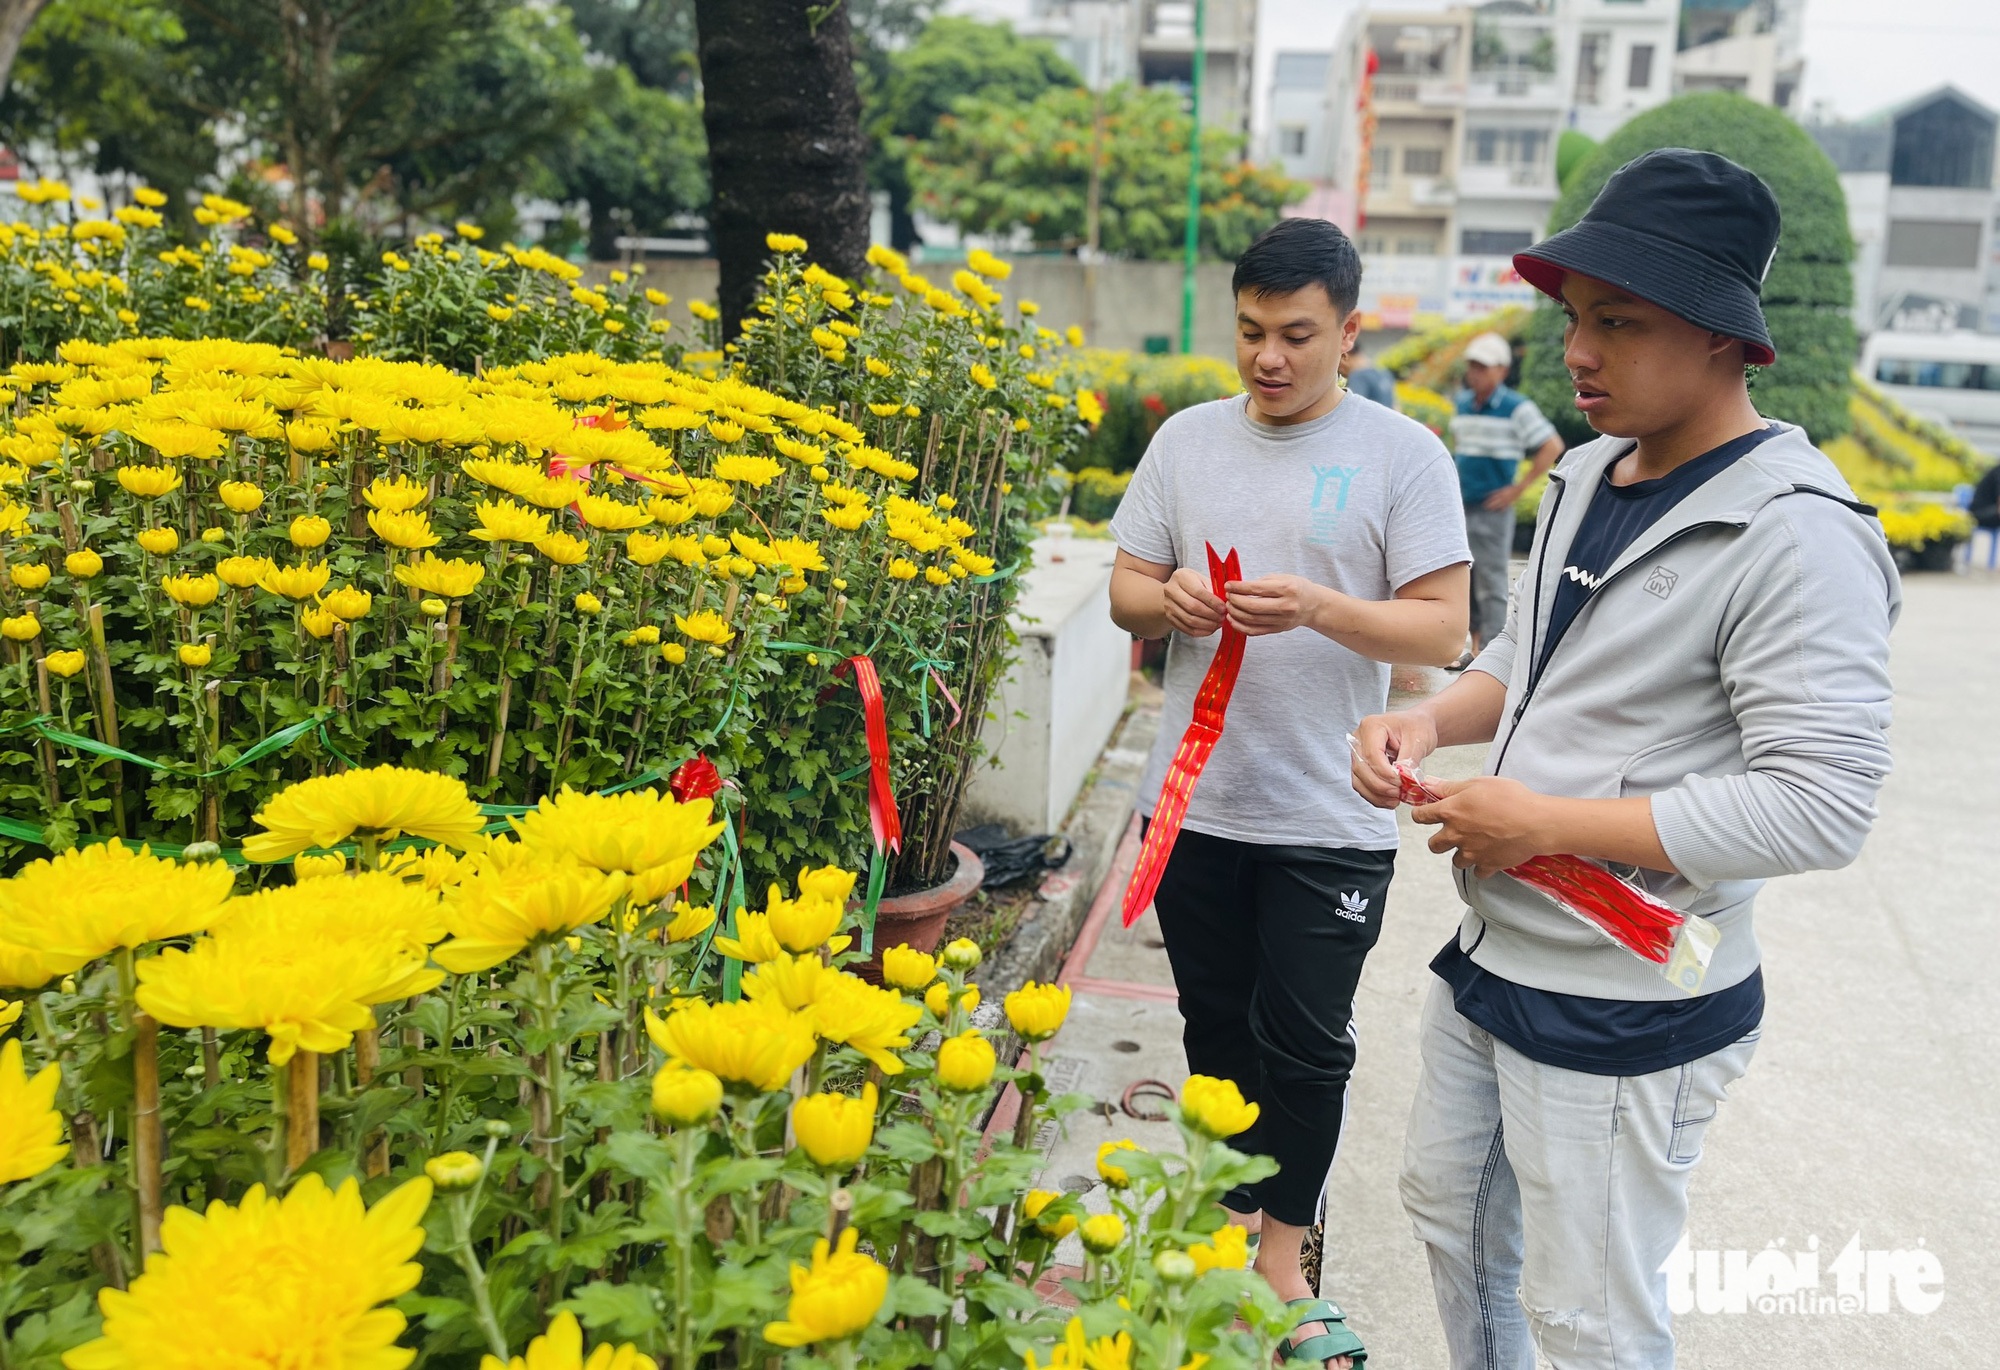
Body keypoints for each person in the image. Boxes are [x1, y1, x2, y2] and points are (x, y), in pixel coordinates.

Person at [1352, 148, 1900, 1369]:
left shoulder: (1795, 534)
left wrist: (1539, 821)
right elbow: (1528, 649)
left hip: (1633, 991)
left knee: (1591, 1317)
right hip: (1497, 949)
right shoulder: (1588, 471)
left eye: (1617, 321)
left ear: (1722, 336)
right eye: (1569, 319)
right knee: (1449, 1218)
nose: (1576, 352)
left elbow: (1818, 805)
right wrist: (1432, 718)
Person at [1108, 216, 1470, 1369]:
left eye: (1296, 334)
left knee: (1306, 1044)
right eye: (1251, 332)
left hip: (1327, 811)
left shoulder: (1399, 454)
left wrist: (1315, 605)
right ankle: (1221, 1231)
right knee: (1215, 1027)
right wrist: (1165, 596)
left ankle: (1282, 1255)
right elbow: (1122, 583)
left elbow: (1442, 625)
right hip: (1199, 804)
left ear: (1348, 332)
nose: (1268, 357)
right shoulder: (1183, 443)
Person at [1450, 332, 1564, 667]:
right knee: (1466, 579)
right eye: (1472, 366)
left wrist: (1518, 489)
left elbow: (1552, 445)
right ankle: (1473, 648)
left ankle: (1490, 653)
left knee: (1492, 580)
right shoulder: (1463, 402)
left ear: (1501, 370)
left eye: (1483, 367)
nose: (1475, 373)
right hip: (1462, 505)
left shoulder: (1516, 407)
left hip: (1493, 508)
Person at [1340, 342, 1398, 409]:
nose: (1340, 368)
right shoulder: (1384, 373)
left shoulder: (1358, 377)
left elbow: (1354, 406)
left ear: (1346, 356)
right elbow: (1396, 407)